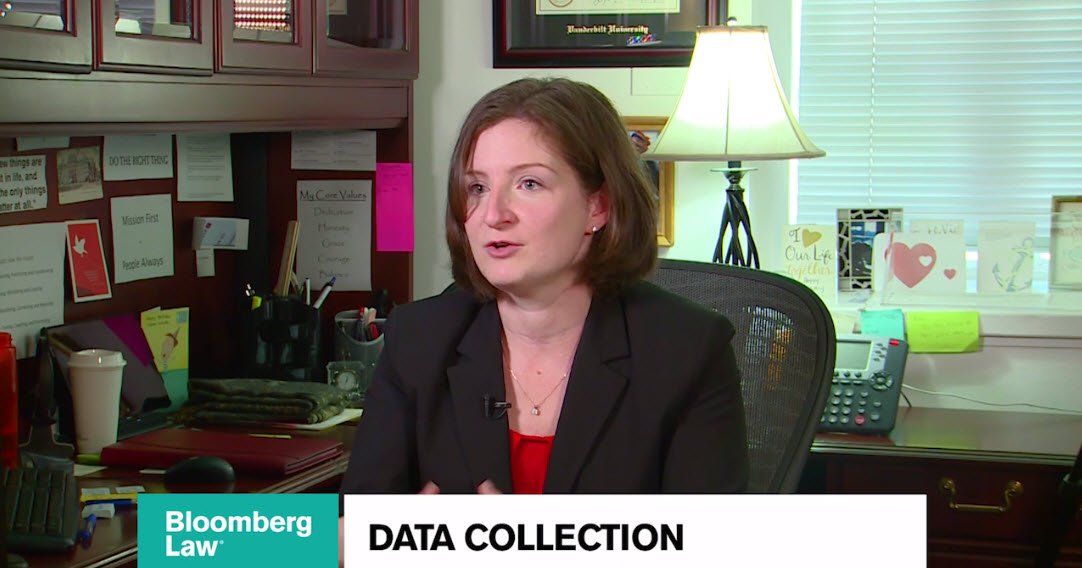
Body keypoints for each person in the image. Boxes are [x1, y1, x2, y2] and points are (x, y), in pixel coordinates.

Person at [338, 78, 748, 501]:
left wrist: (525, 537)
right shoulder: (418, 338)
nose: (494, 214)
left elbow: (713, 537)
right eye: (477, 187)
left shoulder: (688, 350)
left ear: (598, 206)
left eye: (529, 184)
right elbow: (327, 530)